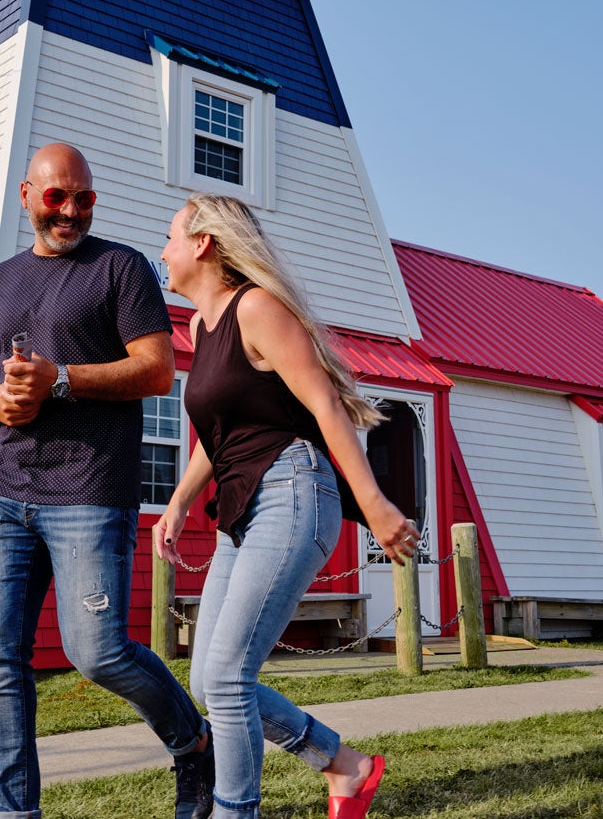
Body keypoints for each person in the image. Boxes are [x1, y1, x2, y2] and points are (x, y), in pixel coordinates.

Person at [0, 143, 215, 819]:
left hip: (90, 491)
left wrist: (61, 379)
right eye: (57, 197)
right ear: (27, 197)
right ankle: (15, 814)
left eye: (84, 198)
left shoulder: (121, 268)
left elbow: (157, 370)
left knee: (96, 654)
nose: (71, 211)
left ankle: (192, 742)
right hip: (4, 494)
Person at [154, 193, 422, 819]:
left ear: (203, 244)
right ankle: (345, 765)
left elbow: (327, 407)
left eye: (170, 236)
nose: (162, 249)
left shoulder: (259, 309)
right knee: (208, 681)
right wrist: (176, 502)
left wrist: (376, 506)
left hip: (292, 491)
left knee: (224, 678)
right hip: (241, 510)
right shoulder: (201, 325)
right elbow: (217, 434)